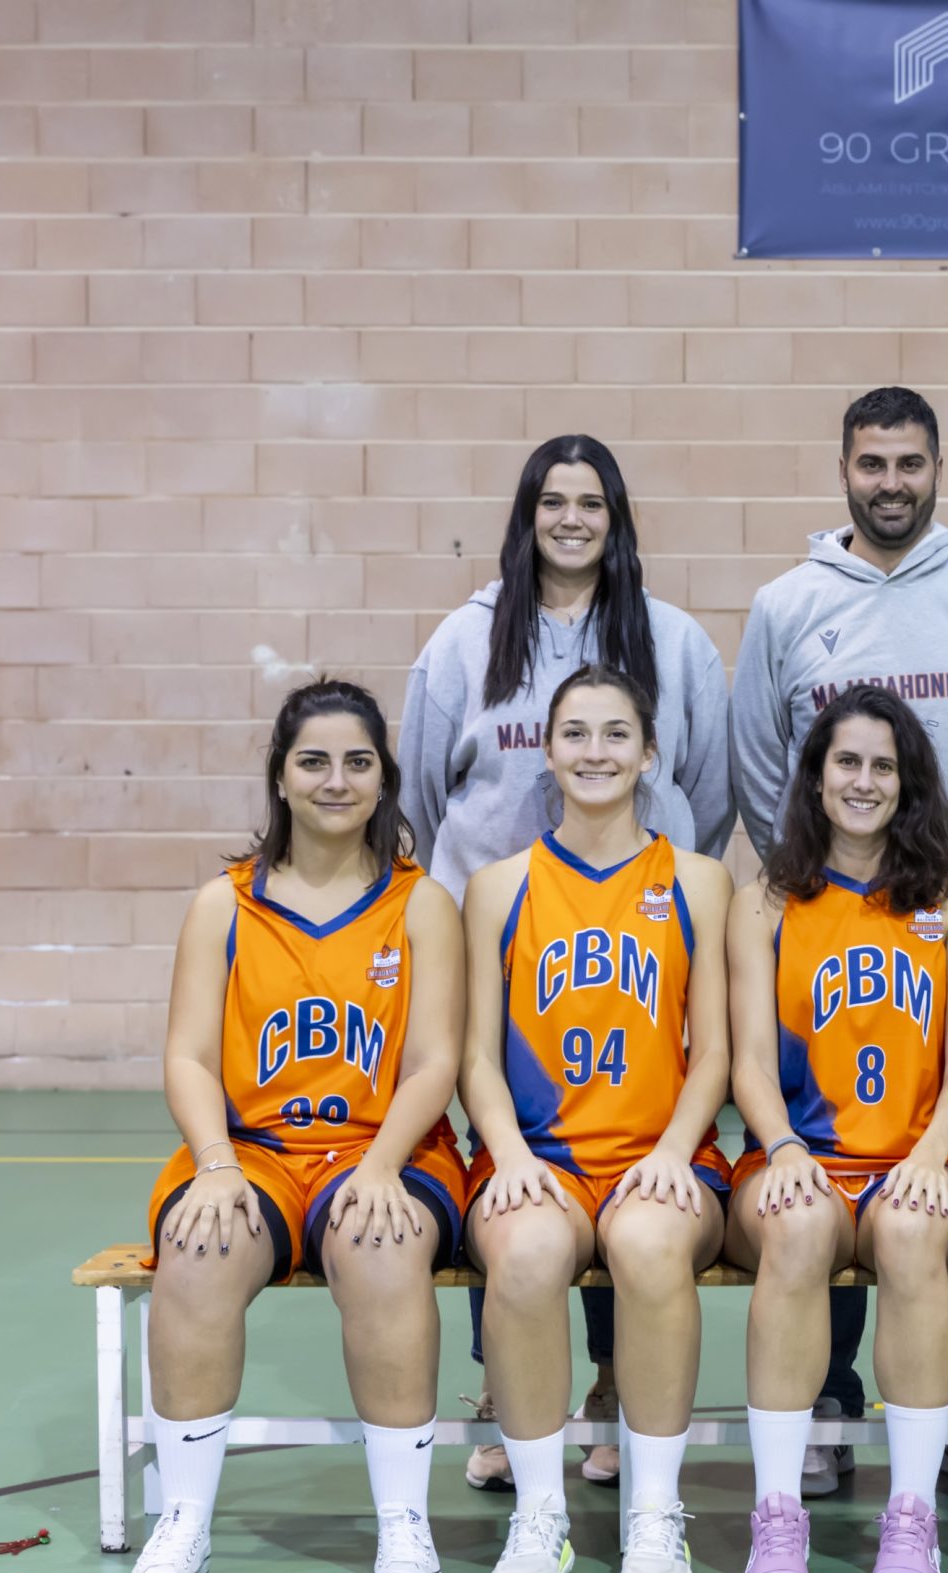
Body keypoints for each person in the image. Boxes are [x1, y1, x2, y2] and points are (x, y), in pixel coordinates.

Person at [732, 385, 948, 1498]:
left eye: (909, 462)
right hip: (827, 907)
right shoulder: (785, 604)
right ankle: (826, 1402)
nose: (891, 482)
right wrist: (816, 872)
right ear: (843, 469)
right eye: (872, 463)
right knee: (823, 1133)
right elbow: (758, 763)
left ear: (937, 468)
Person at [398, 433, 732, 1493]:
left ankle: (611, 1385)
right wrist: (484, 899)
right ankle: (508, 1390)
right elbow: (421, 791)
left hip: (631, 923)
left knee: (626, 1142)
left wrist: (644, 882)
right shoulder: (465, 639)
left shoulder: (671, 639)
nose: (573, 519)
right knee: (509, 1160)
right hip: (503, 928)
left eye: (592, 501)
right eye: (554, 501)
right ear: (527, 514)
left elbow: (711, 791)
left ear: (616, 516)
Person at [128, 680, 467, 1573]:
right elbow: (189, 1057)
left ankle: (404, 1521)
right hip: (255, 1149)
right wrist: (214, 1160)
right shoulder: (224, 904)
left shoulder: (421, 903)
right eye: (313, 761)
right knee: (197, 1248)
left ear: (384, 777)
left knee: (381, 1242)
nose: (335, 780)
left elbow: (434, 1060)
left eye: (358, 761)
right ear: (280, 776)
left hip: (387, 1146)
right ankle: (183, 1521)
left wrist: (382, 1164)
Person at [457, 665, 734, 1573]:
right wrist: (509, 1154)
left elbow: (714, 1052)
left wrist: (673, 1150)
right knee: (528, 1252)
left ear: (649, 753)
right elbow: (477, 1054)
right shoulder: (499, 887)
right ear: (546, 751)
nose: (595, 752)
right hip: (544, 1156)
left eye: (617, 734)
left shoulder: (697, 880)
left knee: (651, 1244)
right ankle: (541, 1517)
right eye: (575, 733)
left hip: (661, 1153)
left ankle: (655, 1513)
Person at [723, 685, 948, 1573]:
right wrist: (781, 1144)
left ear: (909, 780)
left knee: (913, 1234)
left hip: (922, 1158)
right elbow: (748, 1060)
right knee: (797, 1229)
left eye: (885, 764)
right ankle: (777, 1514)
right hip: (802, 1155)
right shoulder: (767, 900)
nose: (865, 780)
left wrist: (931, 1152)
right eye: (847, 761)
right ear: (815, 776)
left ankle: (912, 1517)